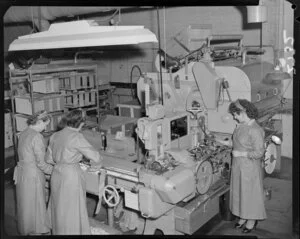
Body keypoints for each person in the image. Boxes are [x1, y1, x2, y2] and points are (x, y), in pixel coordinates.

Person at [46, 109, 103, 235]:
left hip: (56, 173)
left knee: (59, 207)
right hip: (70, 175)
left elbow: (48, 159)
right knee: (72, 208)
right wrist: (95, 167)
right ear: (81, 124)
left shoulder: (54, 135)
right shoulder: (76, 136)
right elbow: (96, 157)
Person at [217, 99, 266, 233]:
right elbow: (236, 143)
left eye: (235, 114)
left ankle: (252, 219)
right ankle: (243, 216)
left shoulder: (255, 130)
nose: (234, 117)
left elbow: (259, 152)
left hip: (250, 168)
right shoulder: (240, 126)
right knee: (240, 193)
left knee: (250, 194)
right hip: (238, 167)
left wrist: (242, 153)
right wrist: (222, 142)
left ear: (243, 112)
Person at [14, 110, 53, 235]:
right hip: (33, 174)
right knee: (36, 204)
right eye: (46, 124)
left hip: (22, 173)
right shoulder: (37, 136)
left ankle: (27, 228)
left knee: (26, 204)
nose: (46, 127)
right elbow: (41, 163)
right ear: (40, 121)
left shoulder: (24, 133)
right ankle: (37, 230)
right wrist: (54, 171)